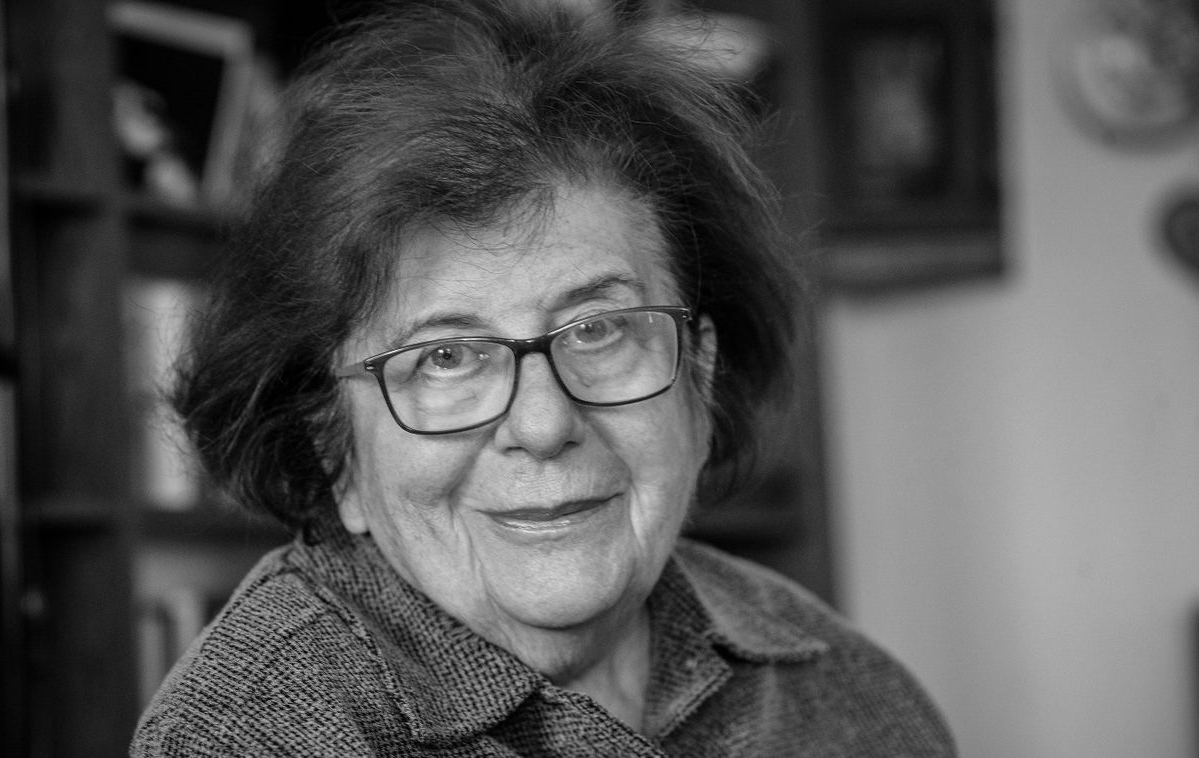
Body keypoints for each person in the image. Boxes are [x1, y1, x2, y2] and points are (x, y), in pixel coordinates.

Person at [131, 1, 956, 755]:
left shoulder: (847, 691)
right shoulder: (250, 734)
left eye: (597, 330)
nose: (542, 423)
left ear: (698, 382)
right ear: (332, 444)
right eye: (445, 357)